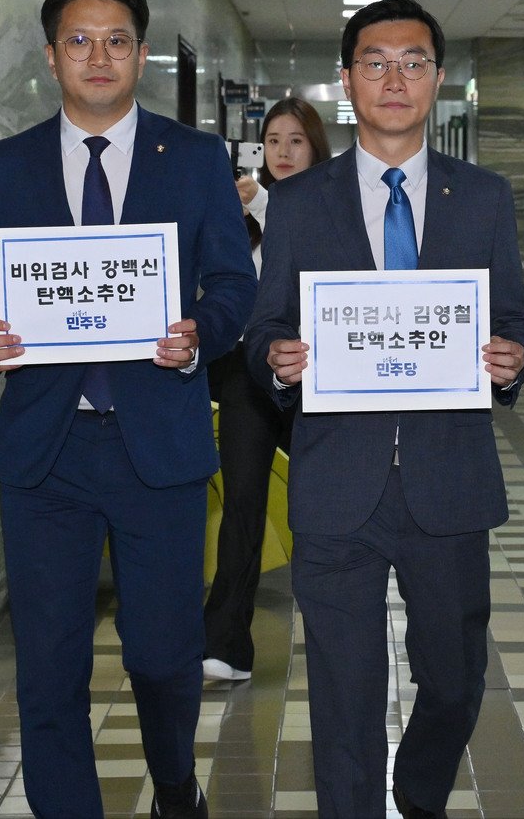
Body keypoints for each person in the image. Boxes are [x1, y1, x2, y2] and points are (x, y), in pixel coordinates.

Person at [0, 0, 256, 819]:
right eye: (79, 41)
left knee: (162, 655)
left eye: (116, 41)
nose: (98, 56)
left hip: (157, 442)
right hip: (47, 452)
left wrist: (201, 334)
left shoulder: (192, 160)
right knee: (50, 667)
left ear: (142, 55)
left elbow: (234, 284)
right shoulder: (5, 167)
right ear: (51, 57)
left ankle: (173, 784)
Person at [243, 0, 524, 819]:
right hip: (338, 479)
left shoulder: (481, 197)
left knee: (454, 679)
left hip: (448, 481)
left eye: (413, 62)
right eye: (376, 62)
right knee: (343, 693)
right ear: (347, 81)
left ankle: (418, 789)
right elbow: (265, 324)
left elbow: (512, 317)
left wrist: (511, 359)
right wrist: (276, 356)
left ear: (438, 79)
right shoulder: (300, 202)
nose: (395, 78)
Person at [203, 97, 330, 682]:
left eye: (296, 140)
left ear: (316, 147)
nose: (282, 151)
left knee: (321, 509)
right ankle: (226, 642)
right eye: (273, 140)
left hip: (319, 376)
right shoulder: (242, 215)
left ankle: (336, 636)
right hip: (245, 374)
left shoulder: (335, 206)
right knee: (244, 505)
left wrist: (262, 200)